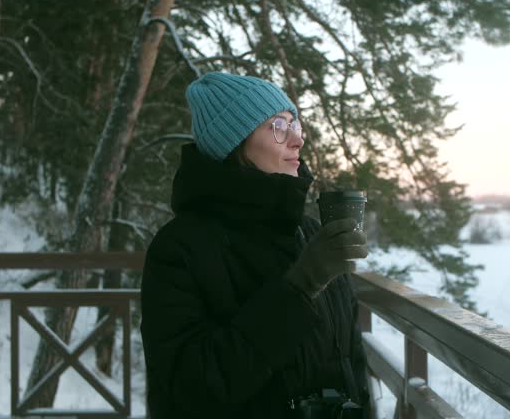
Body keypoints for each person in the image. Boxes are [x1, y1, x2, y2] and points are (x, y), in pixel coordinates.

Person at [140, 71, 372, 418]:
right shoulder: (179, 248)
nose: (297, 140)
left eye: (294, 124)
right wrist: (300, 286)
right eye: (278, 126)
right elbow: (189, 389)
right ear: (233, 143)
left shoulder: (309, 234)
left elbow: (350, 361)